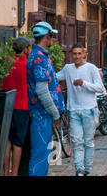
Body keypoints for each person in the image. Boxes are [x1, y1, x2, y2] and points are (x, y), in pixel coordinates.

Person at [56, 43, 105, 176]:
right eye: (74, 54)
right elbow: (55, 78)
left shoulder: (91, 68)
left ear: (84, 54)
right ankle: (79, 170)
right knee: (77, 142)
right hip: (73, 110)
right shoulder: (68, 68)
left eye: (79, 53)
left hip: (89, 109)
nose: (77, 56)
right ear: (71, 55)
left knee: (88, 142)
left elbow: (100, 88)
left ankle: (87, 169)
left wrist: (84, 83)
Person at [27, 22, 65, 176]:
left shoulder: (37, 55)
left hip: (41, 114)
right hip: (42, 114)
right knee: (40, 157)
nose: (52, 39)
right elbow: (42, 91)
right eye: (52, 36)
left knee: (42, 155)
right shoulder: (39, 58)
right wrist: (55, 113)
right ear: (47, 36)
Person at [2, 37, 33, 176]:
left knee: (7, 142)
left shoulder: (6, 63)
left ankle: (5, 173)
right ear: (26, 49)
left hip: (6, 106)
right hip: (22, 107)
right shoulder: (28, 65)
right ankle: (14, 173)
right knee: (18, 143)